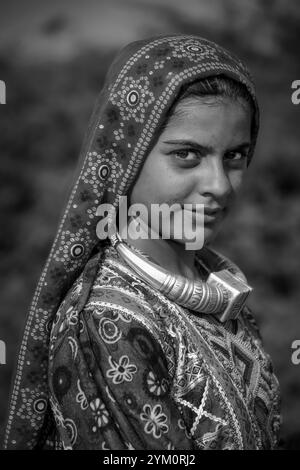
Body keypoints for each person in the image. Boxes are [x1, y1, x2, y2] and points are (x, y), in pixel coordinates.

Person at [3, 34, 281, 450]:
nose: (219, 185)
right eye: (186, 154)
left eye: (235, 156)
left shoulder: (222, 295)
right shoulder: (107, 324)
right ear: (126, 158)